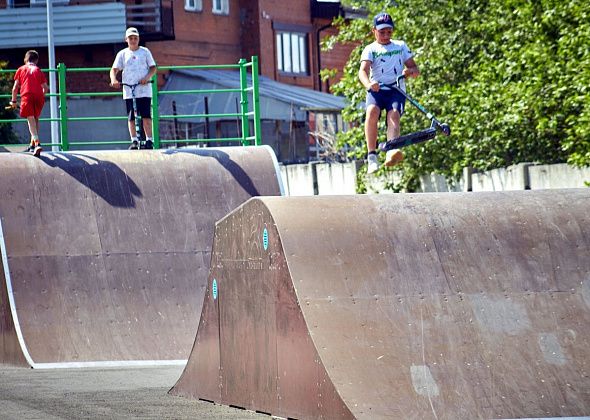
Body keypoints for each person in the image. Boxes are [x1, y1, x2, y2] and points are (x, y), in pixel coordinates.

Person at [358, 12, 420, 174]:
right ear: (374, 31)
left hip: (396, 89)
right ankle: (372, 156)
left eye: (389, 32)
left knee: (394, 115)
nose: (386, 35)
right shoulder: (370, 49)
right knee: (372, 112)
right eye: (382, 32)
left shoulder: (400, 46)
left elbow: (415, 68)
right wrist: (369, 84)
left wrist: (409, 72)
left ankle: (391, 149)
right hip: (377, 89)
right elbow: (362, 72)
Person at [110, 27, 157, 150]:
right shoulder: (122, 54)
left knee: (146, 116)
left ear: (138, 39)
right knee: (131, 116)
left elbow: (153, 68)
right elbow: (114, 69)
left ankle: (149, 140)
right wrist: (114, 80)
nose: (133, 40)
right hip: (129, 90)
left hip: (144, 89)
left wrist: (147, 77)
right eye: (130, 38)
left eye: (135, 38)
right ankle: (134, 140)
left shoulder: (145, 52)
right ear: (126, 39)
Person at [9, 50, 49, 157]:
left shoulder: (21, 69)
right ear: (36, 60)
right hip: (38, 96)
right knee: (35, 118)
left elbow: (15, 88)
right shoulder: (38, 70)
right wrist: (41, 95)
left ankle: (37, 143)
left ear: (25, 59)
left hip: (27, 95)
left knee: (30, 118)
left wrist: (13, 101)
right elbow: (46, 88)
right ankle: (32, 144)